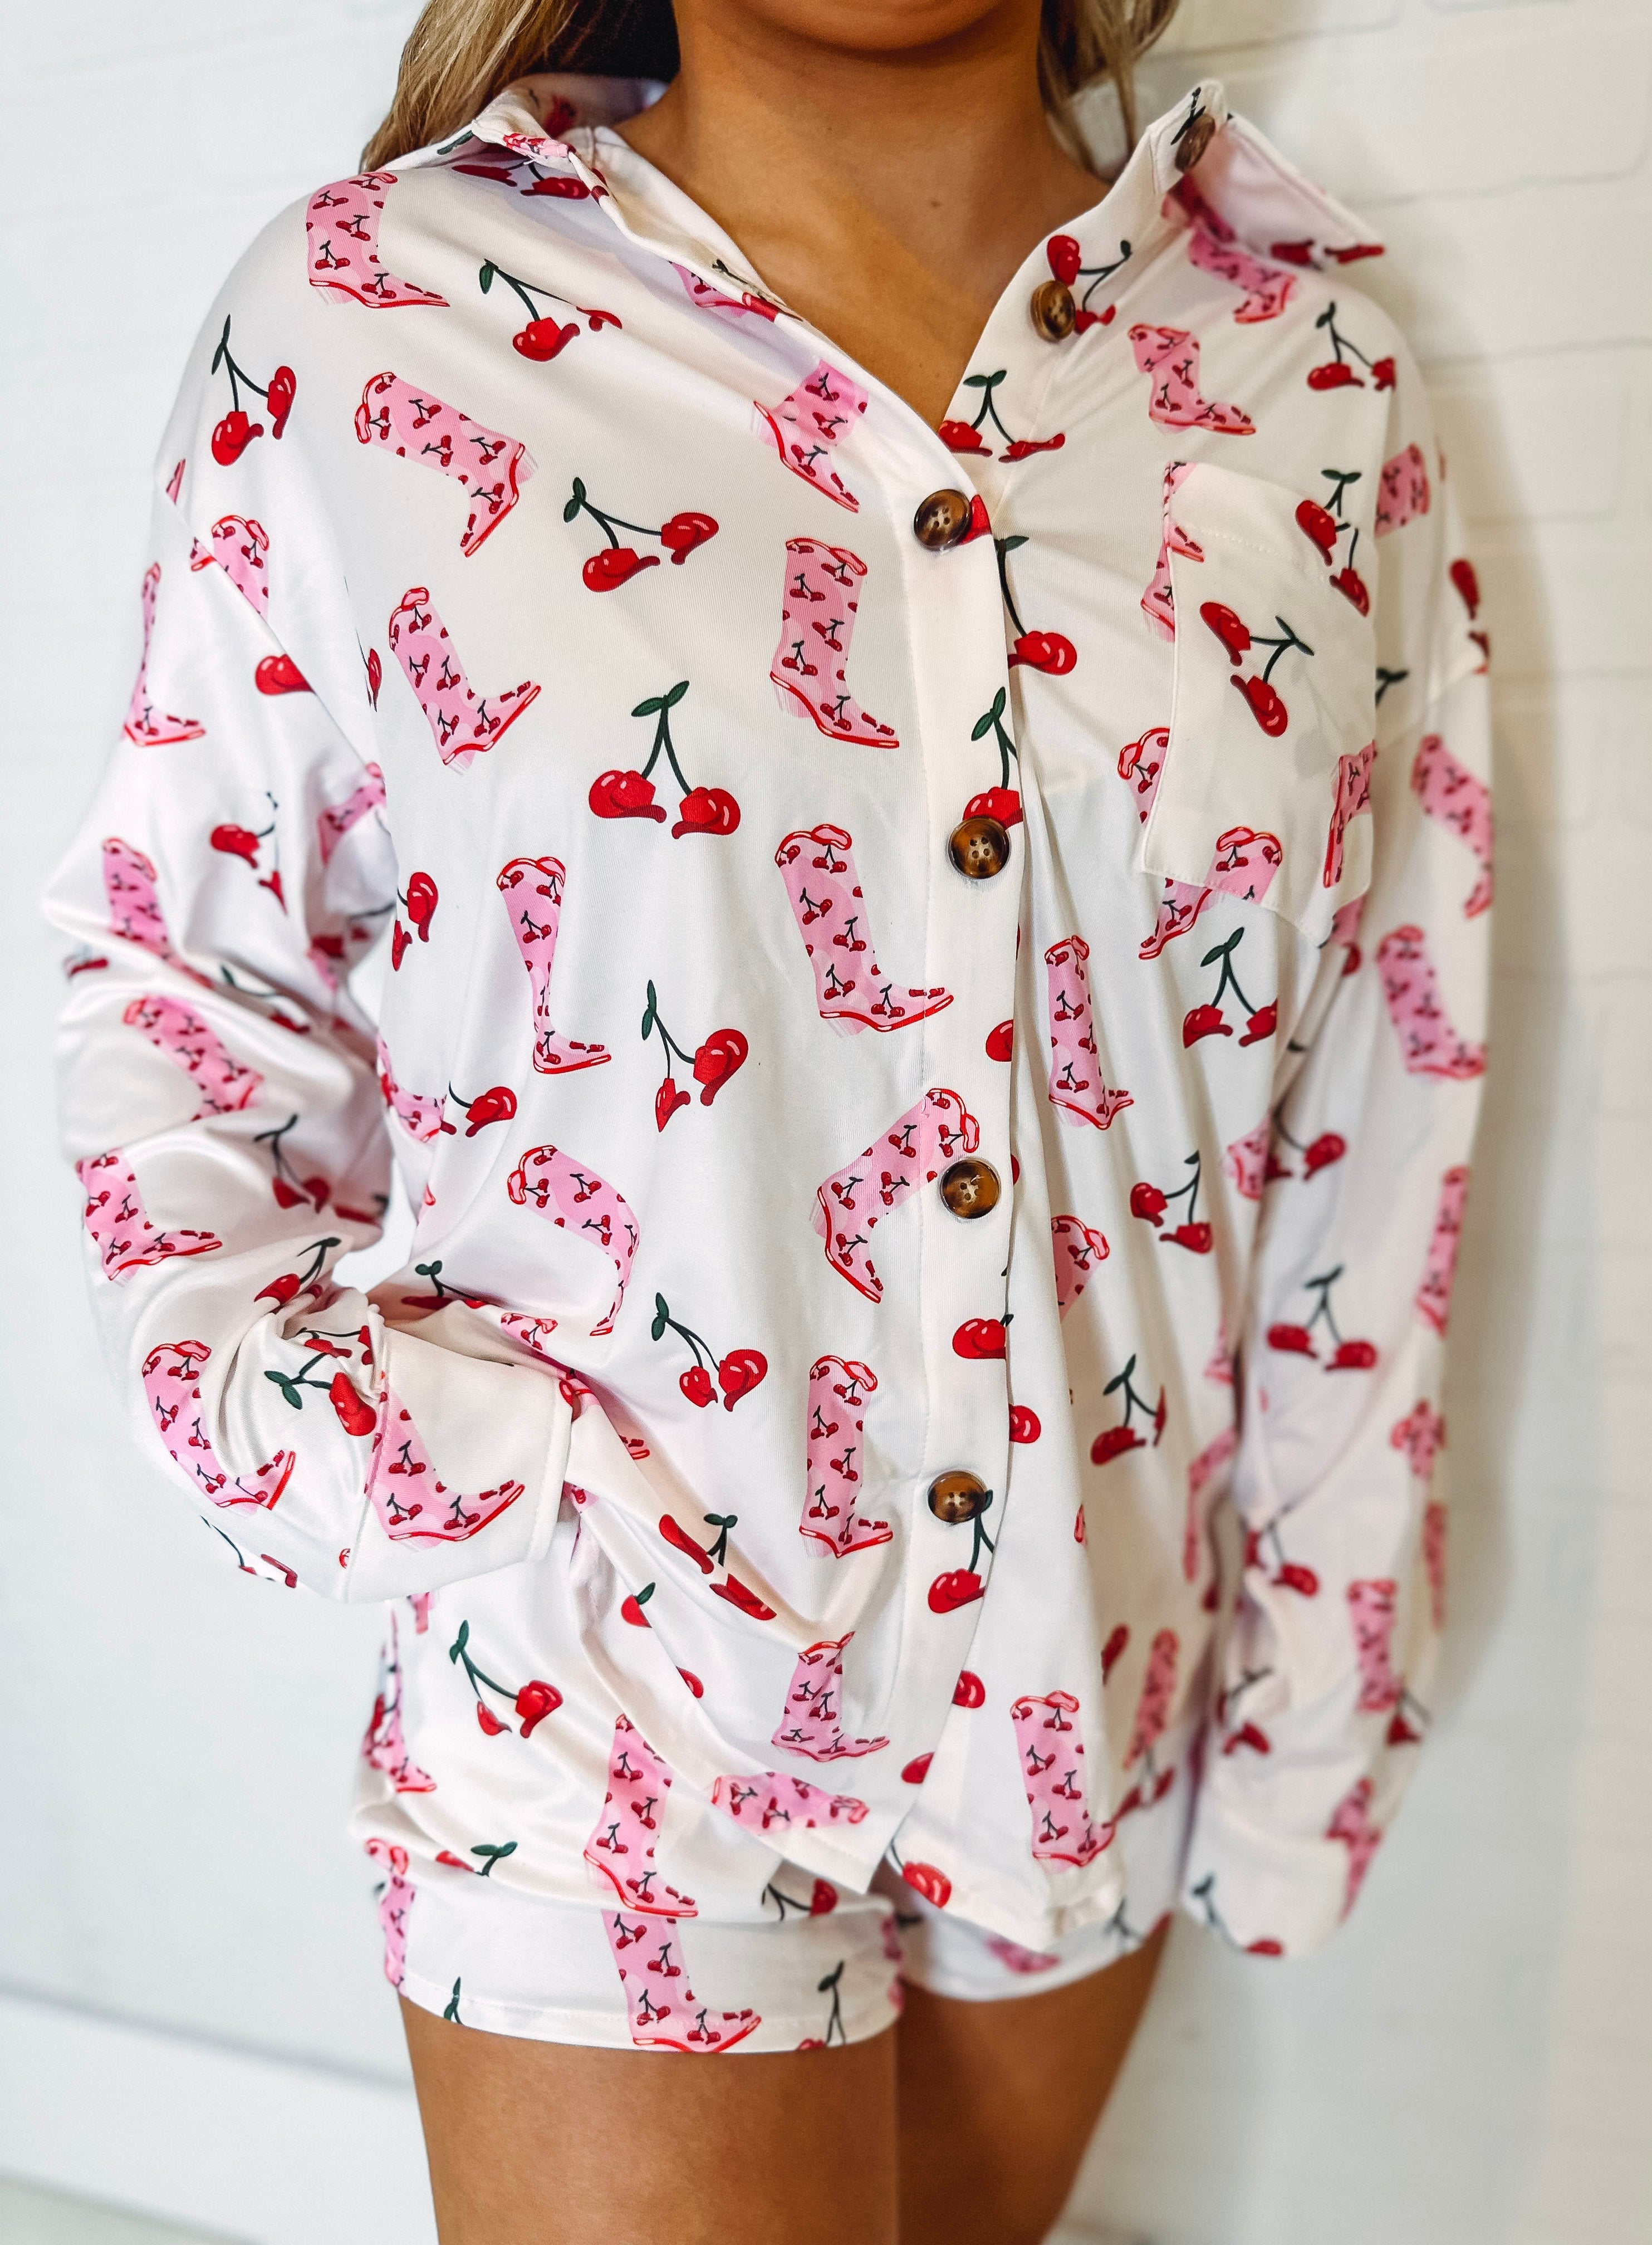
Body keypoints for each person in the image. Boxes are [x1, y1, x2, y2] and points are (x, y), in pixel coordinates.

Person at [45, 0, 1492, 2236]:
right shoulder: (371, 325)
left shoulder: (1308, 384)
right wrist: (386, 1446)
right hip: (607, 1694)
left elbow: (1378, 1099)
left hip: (1088, 1680)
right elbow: (185, 978)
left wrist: (1311, 1696)